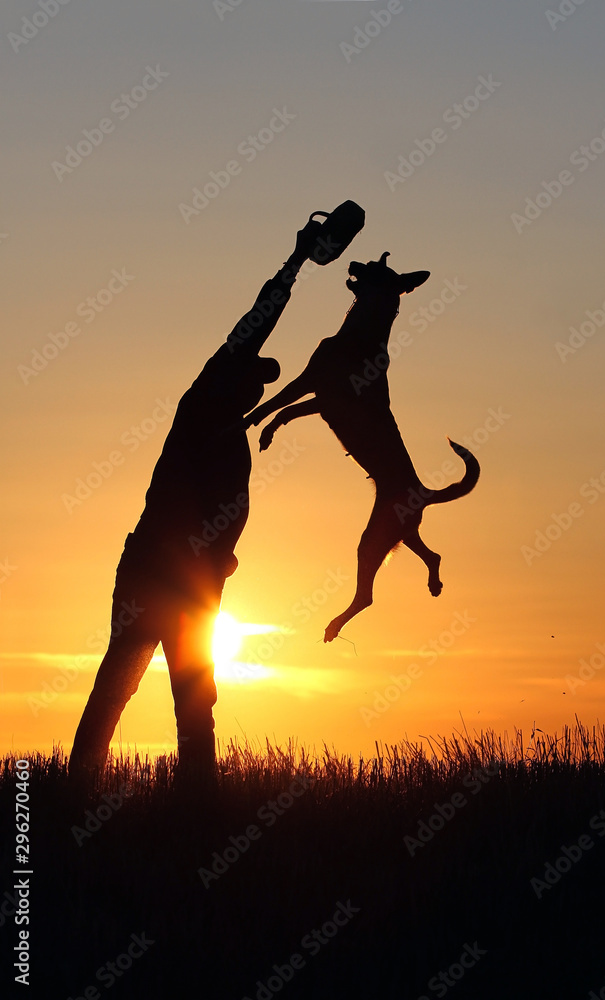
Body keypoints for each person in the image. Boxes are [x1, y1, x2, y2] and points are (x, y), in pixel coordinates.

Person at [68, 215, 339, 781]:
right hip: (163, 575)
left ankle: (178, 806)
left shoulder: (227, 432)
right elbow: (255, 321)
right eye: (254, 376)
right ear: (233, 371)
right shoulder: (206, 397)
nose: (257, 386)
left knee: (181, 701)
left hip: (180, 579)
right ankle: (95, 794)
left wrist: (222, 555)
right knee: (133, 691)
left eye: (262, 383)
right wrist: (294, 265)